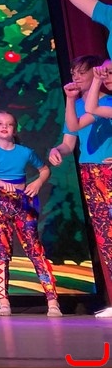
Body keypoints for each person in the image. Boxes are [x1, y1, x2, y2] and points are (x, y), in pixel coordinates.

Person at [0, 111, 60, 317]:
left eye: (9, 124)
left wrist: (37, 182)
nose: (4, 127)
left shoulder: (25, 152)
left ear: (14, 130)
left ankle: (52, 301)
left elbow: (45, 170)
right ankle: (3, 302)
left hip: (22, 202)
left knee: (35, 249)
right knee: (0, 251)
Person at [60, 56, 112, 317]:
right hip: (90, 173)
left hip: (108, 172)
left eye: (82, 72)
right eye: (73, 73)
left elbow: (90, 112)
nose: (76, 77)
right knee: (106, 238)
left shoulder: (108, 102)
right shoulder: (78, 105)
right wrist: (58, 151)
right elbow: (71, 134)